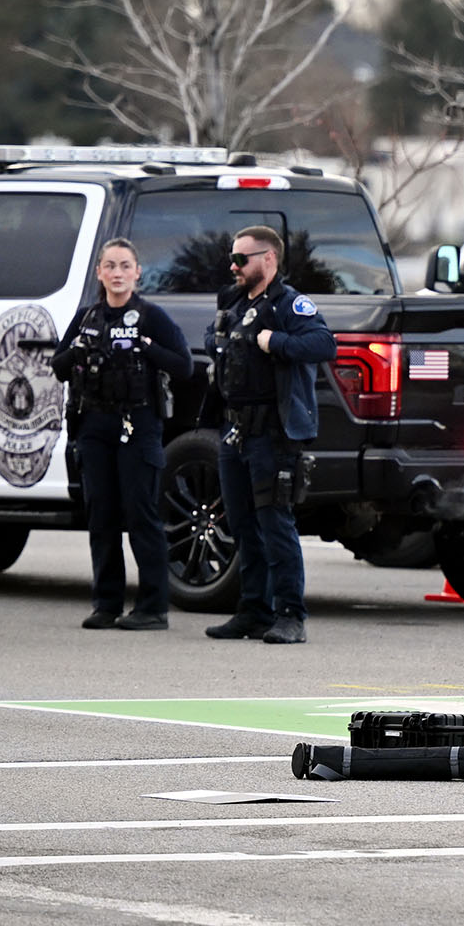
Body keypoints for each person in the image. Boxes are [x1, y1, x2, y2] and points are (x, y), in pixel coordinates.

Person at [207, 223, 334, 645]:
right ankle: (253, 610)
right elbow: (216, 342)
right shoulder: (232, 301)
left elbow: (322, 345)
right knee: (242, 526)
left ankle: (289, 614)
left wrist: (275, 341)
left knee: (275, 524)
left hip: (274, 434)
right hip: (235, 430)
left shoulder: (289, 305)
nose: (234, 265)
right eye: (233, 257)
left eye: (242, 258)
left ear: (268, 259)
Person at [57, 238, 192, 630]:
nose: (117, 273)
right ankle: (107, 603)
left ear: (137, 273)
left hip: (138, 425)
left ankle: (152, 607)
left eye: (125, 266)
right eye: (110, 266)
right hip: (93, 426)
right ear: (99, 272)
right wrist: (82, 348)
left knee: (141, 514)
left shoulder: (151, 317)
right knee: (101, 515)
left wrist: (145, 346)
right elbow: (59, 366)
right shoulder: (87, 318)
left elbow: (183, 367)